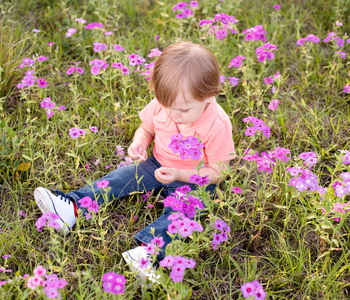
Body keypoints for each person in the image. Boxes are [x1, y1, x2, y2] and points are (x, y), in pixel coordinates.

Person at [34, 41, 235, 283]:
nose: (173, 114)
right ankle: (71, 209)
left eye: (182, 110)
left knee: (186, 214)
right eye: (167, 106)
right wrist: (139, 142)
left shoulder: (217, 125)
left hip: (194, 180)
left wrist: (180, 175)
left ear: (209, 95)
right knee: (120, 178)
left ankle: (147, 252)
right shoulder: (165, 105)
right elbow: (146, 128)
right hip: (157, 163)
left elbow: (218, 172)